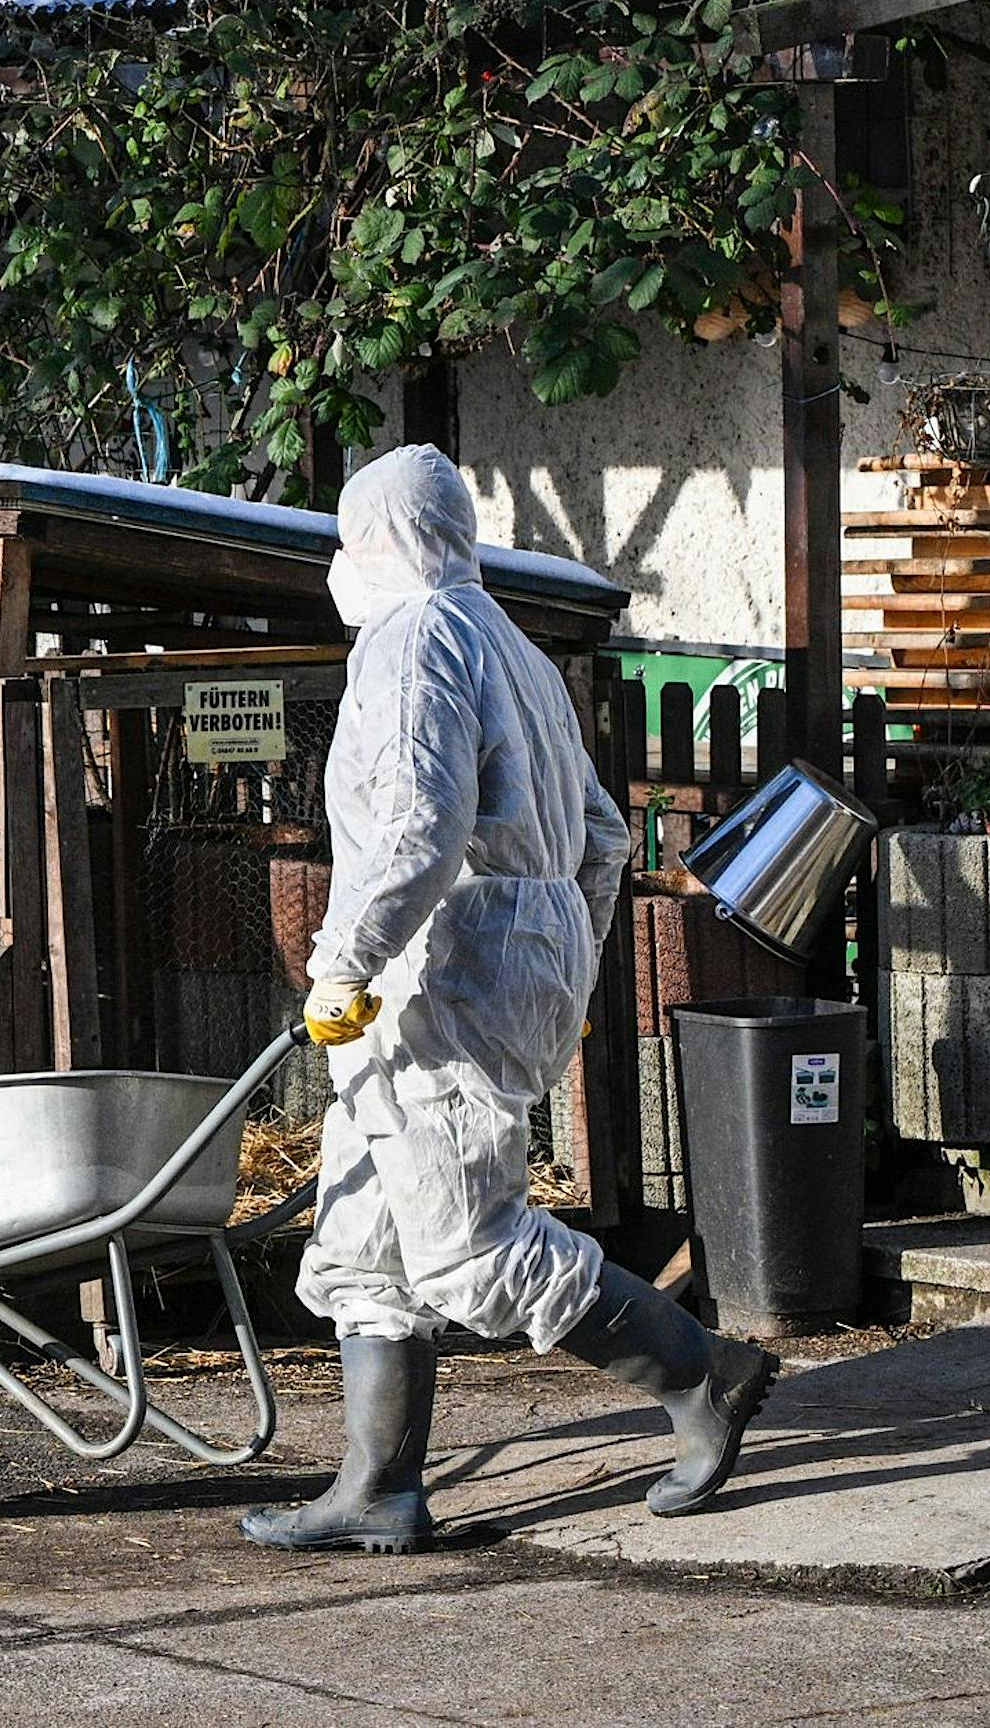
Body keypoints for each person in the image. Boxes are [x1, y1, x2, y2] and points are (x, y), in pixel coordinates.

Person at [241, 445, 778, 1555]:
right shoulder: (514, 647)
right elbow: (601, 834)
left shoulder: (412, 639)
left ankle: (702, 1374)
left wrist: (344, 958)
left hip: (438, 966)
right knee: (365, 1235)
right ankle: (377, 1486)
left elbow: (410, 826)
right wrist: (561, 949)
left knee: (465, 1245)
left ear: (379, 538)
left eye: (349, 540)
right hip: (505, 953)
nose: (342, 564)